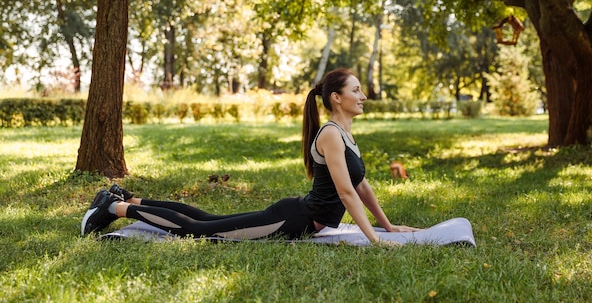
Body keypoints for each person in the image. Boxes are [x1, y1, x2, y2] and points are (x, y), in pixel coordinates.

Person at [81, 68, 419, 244]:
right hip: (293, 221)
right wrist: (375, 240)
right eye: (356, 90)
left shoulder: (345, 134)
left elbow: (361, 187)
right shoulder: (331, 134)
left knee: (206, 218)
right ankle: (115, 208)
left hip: (295, 214)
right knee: (200, 231)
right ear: (337, 98)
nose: (363, 95)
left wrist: (388, 226)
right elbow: (345, 193)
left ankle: (126, 197)